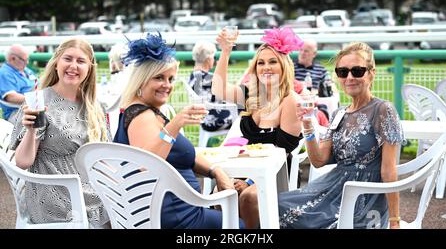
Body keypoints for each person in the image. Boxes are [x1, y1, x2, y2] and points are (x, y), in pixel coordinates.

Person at [113, 32, 244, 229]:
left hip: (182, 210)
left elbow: (183, 155)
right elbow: (147, 165)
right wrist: (175, 125)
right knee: (242, 225)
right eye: (159, 78)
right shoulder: (141, 116)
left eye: (171, 79)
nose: (167, 85)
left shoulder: (148, 112)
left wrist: (214, 170)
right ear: (141, 80)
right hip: (175, 218)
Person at [278, 42, 404, 229]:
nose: (350, 77)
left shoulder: (383, 110)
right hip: (332, 188)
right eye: (343, 72)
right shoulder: (338, 114)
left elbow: (388, 171)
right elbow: (319, 160)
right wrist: (308, 126)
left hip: (363, 198)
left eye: (357, 71)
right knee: (276, 205)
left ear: (371, 73)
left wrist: (395, 221)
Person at [9, 38, 110, 228]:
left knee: (131, 200)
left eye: (80, 61)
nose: (73, 66)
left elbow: (103, 156)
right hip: (56, 192)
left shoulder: (95, 106)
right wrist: (31, 130)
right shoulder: (39, 102)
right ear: (56, 63)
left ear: (89, 69)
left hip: (88, 185)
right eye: (68, 59)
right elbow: (22, 162)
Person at [212, 27, 304, 228]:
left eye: (272, 62)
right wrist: (226, 51)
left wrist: (251, 182)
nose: (266, 67)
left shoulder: (290, 101)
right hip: (246, 169)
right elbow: (218, 90)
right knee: (221, 193)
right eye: (261, 63)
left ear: (283, 67)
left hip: (277, 174)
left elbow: (283, 151)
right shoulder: (250, 95)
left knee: (248, 198)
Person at [189, 40, 233, 132]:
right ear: (208, 59)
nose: (214, 60)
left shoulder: (193, 76)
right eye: (214, 57)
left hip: (205, 120)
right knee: (245, 117)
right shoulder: (209, 78)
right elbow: (231, 93)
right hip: (215, 121)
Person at [0, 44, 37, 121]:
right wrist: (37, 99)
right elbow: (11, 97)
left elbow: (39, 85)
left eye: (28, 59)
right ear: (12, 58)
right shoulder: (4, 73)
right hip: (18, 112)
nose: (27, 62)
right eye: (24, 60)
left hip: (35, 107)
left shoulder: (26, 70)